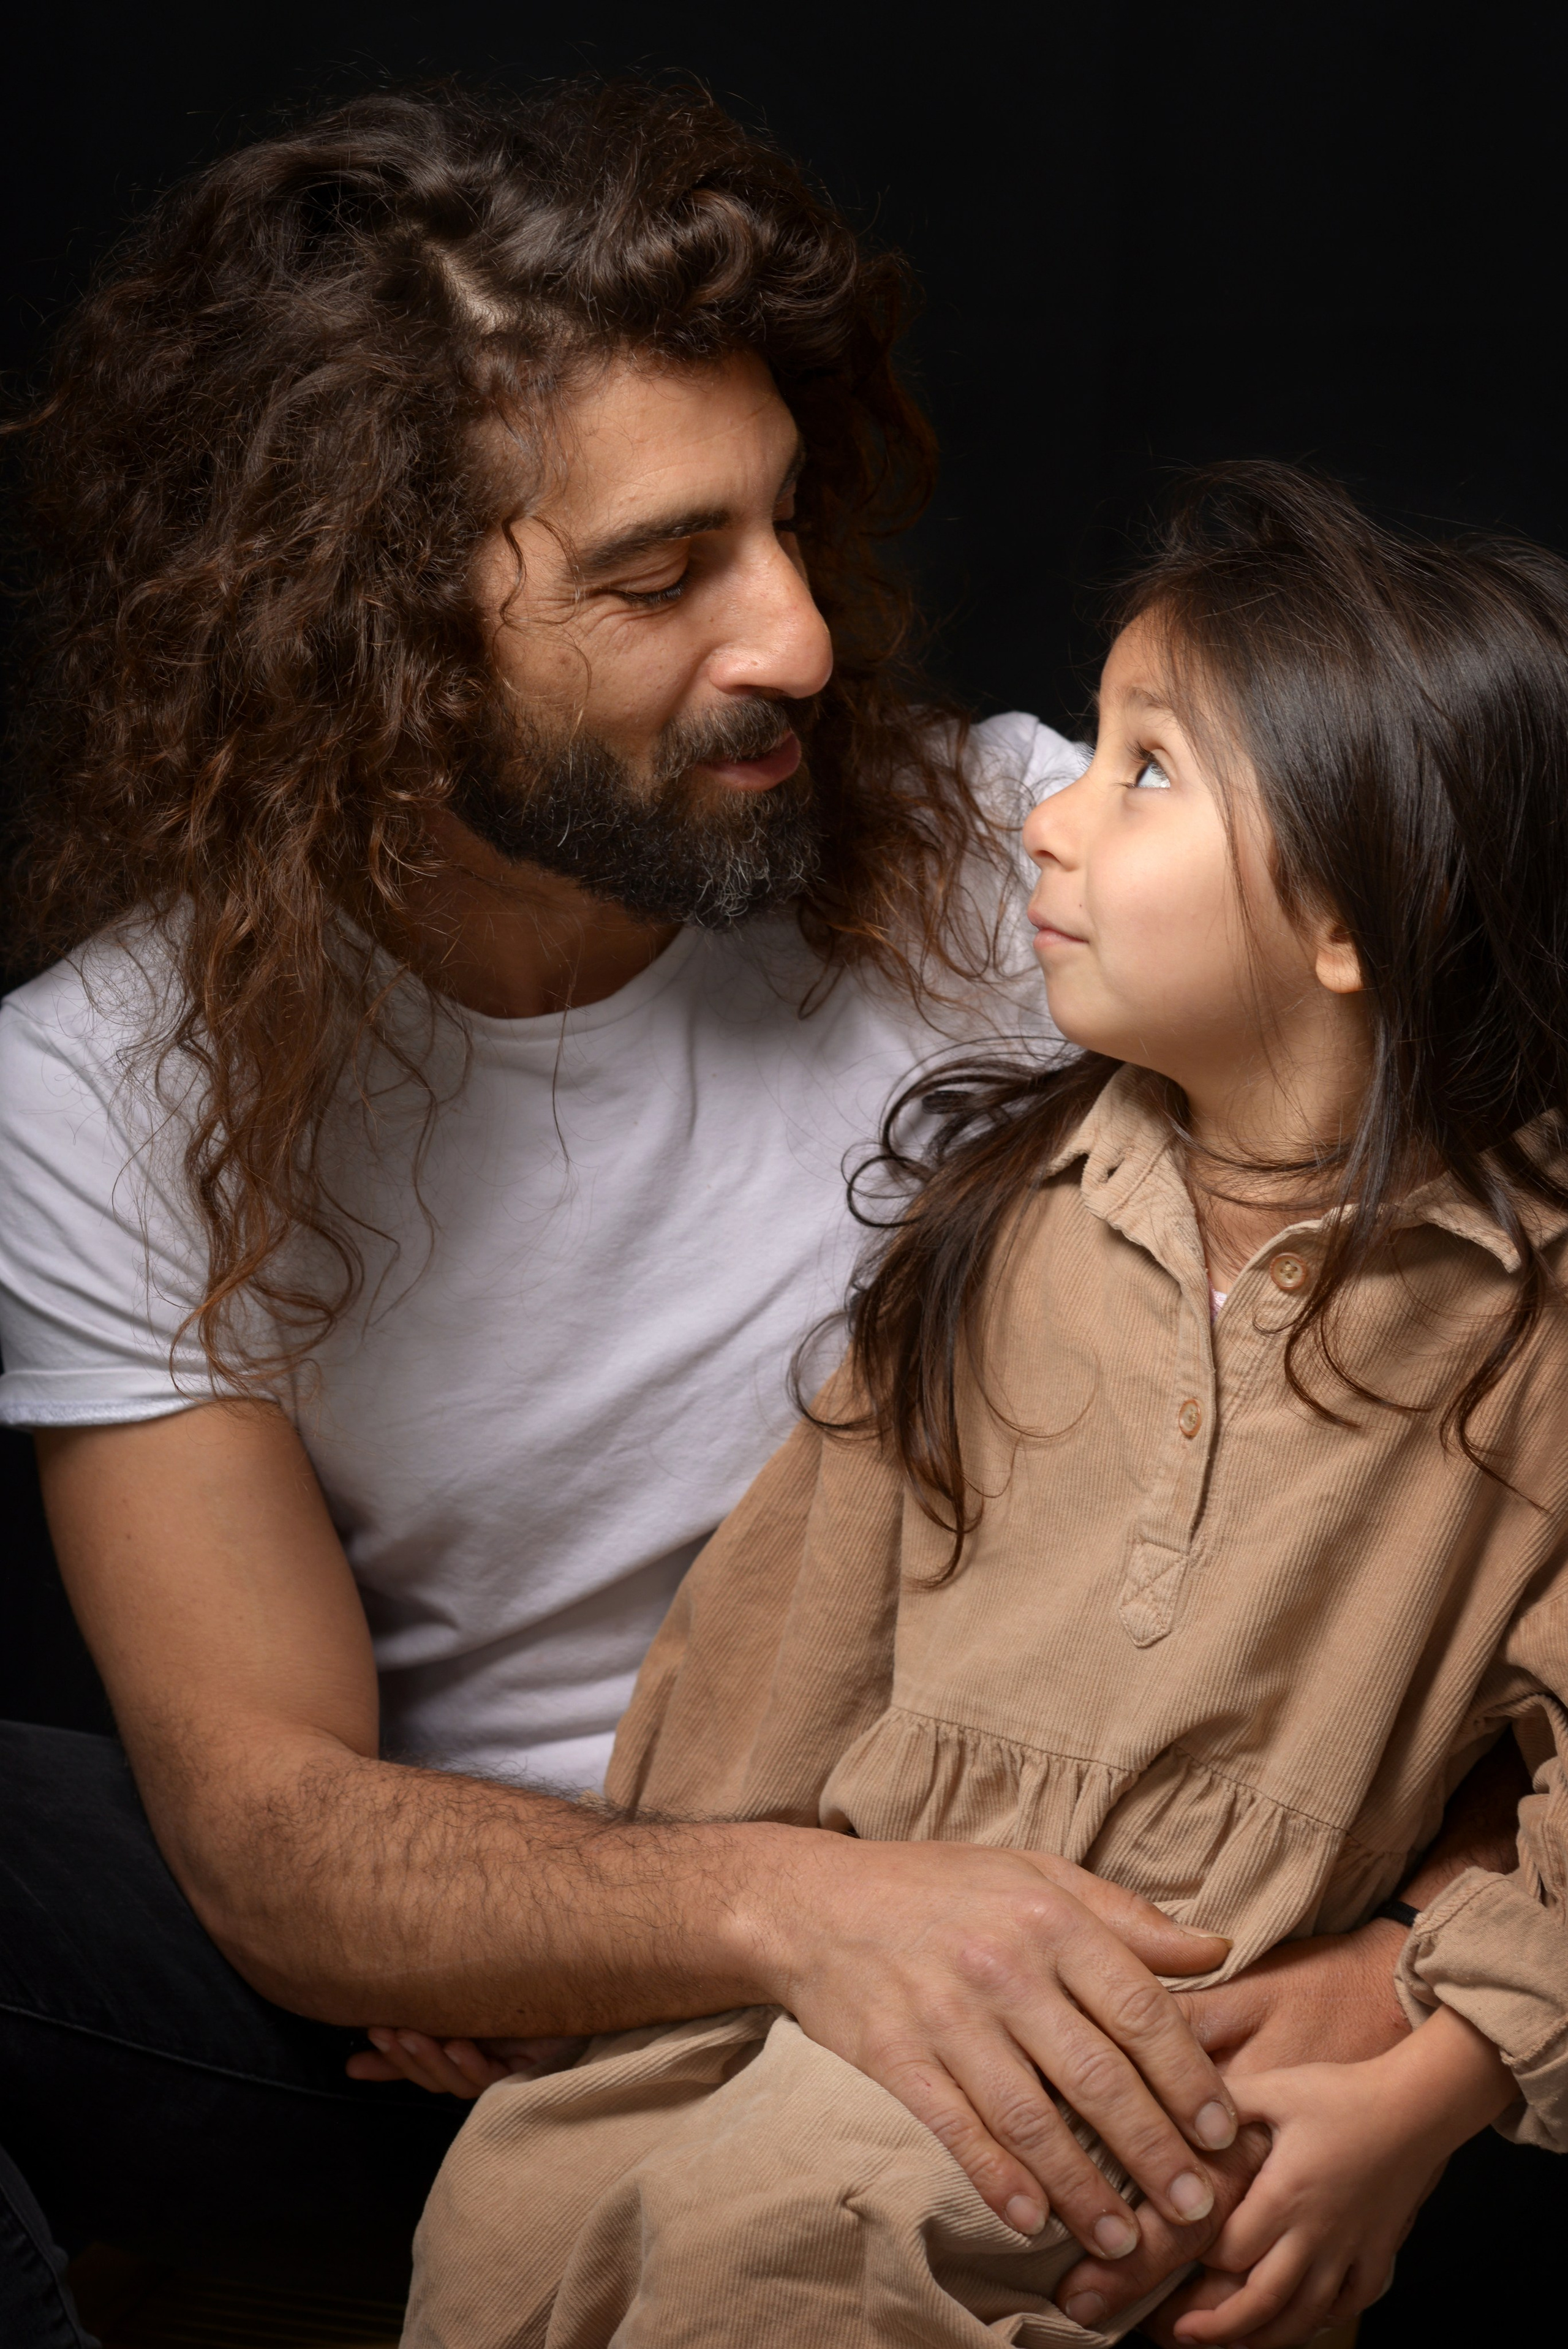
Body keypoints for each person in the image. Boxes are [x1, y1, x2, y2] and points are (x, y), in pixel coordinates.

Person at [0, 83, 1515, 2345]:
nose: (799, 636)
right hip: (477, 2034)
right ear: (362, 636)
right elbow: (275, 1828)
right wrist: (783, 1912)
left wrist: (1417, 1987)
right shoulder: (104, 1082)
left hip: (1105, 1991)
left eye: (785, 520)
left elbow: (1482, 1423)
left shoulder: (1031, 873)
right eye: (660, 572)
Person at [403, 464, 1568, 2349]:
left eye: (1147, 770)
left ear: (1355, 916)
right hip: (872, 1929)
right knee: (513, 2208)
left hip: (1156, 2014)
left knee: (769, 2244)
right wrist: (597, 1956)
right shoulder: (1000, 1214)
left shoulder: (1530, 1325)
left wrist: (1428, 2081)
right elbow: (790, 1627)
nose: (1050, 815)